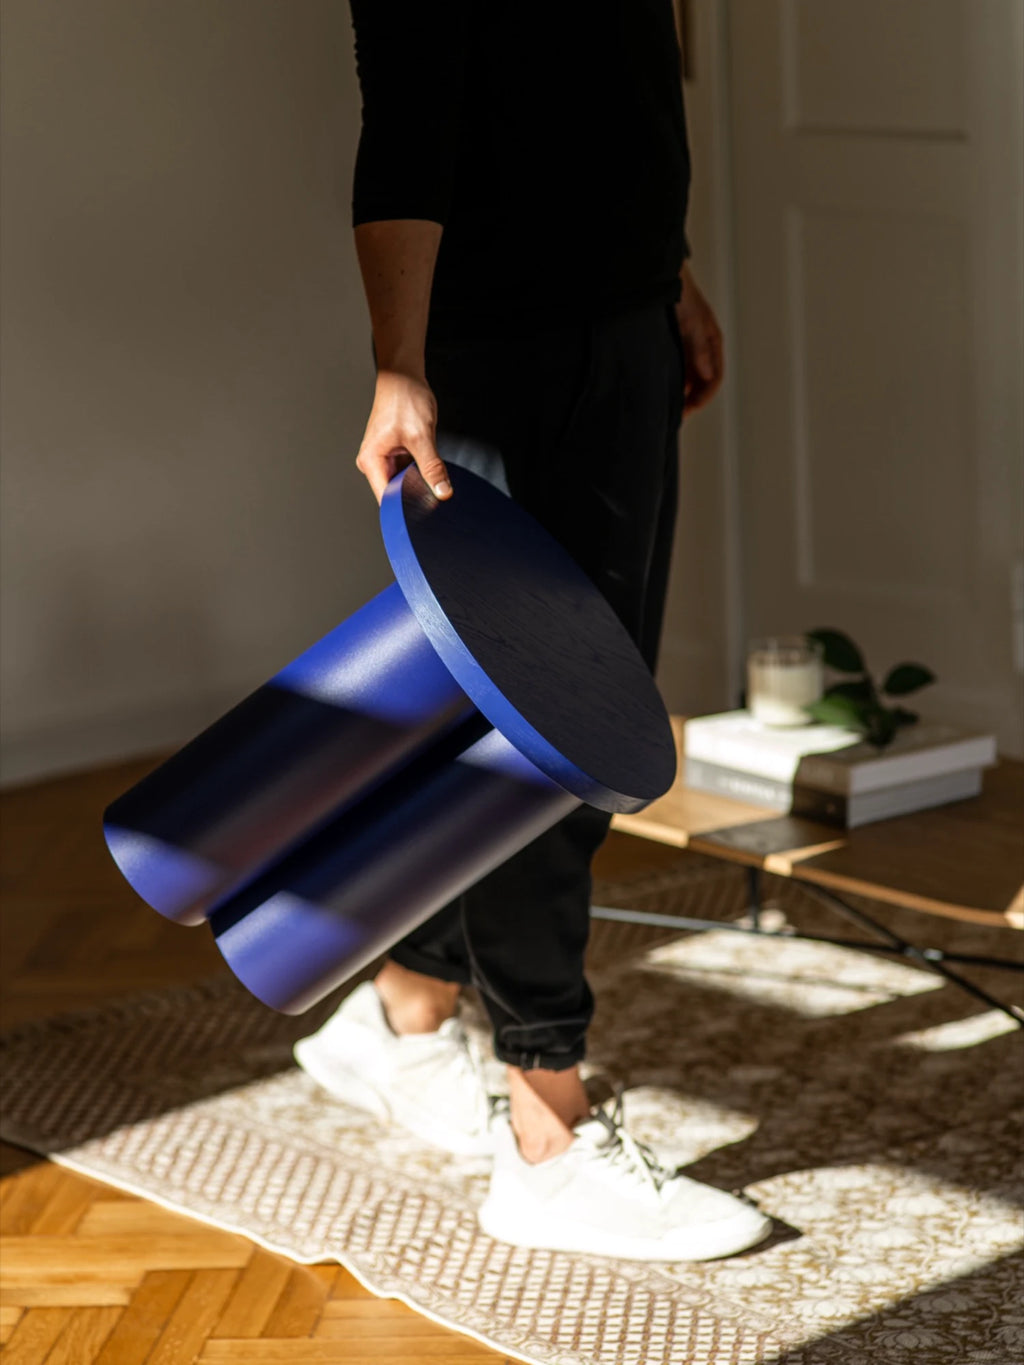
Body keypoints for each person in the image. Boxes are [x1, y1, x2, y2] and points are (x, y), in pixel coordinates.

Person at [294, 0, 770, 1262]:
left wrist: (664, 274)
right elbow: (408, 124)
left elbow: (606, 88)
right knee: (545, 740)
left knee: (556, 725)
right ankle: (547, 1143)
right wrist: (399, 362)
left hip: (619, 326)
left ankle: (399, 1018)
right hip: (501, 353)